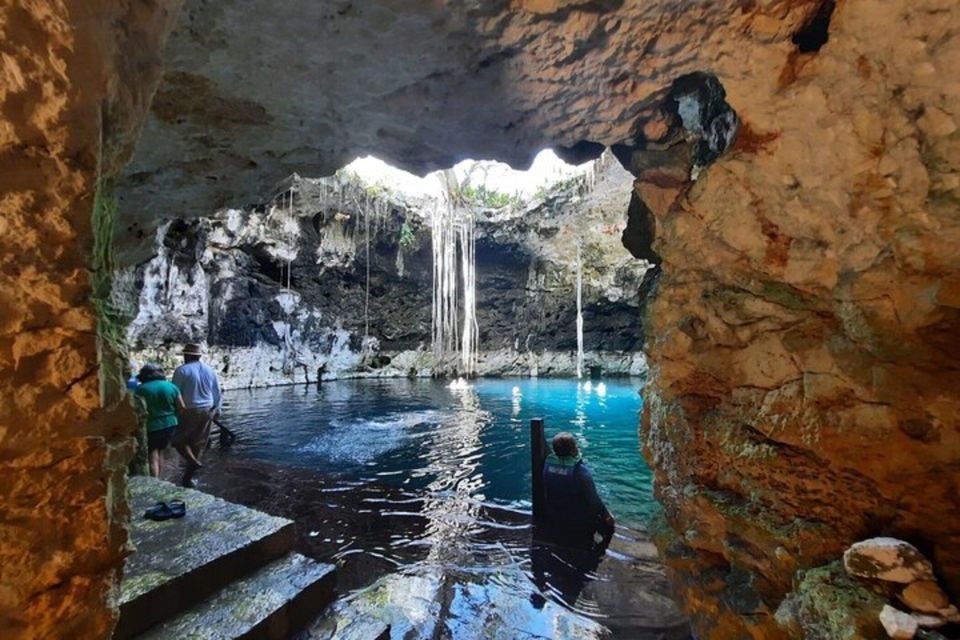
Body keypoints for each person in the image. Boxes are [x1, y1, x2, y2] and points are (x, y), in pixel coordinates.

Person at [541, 432, 615, 548]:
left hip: (556, 515)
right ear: (572, 451)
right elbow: (594, 500)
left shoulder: (547, 464)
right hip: (578, 521)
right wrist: (607, 516)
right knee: (608, 524)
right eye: (575, 446)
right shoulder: (580, 472)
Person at [171, 343, 222, 487]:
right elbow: (217, 391)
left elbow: (176, 393)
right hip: (208, 409)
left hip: (189, 410)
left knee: (177, 440)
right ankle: (188, 478)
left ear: (186, 356)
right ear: (199, 356)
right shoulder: (210, 370)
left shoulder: (182, 371)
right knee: (198, 443)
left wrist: (175, 412)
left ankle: (193, 462)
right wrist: (217, 410)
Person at [132, 364, 184, 478]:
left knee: (152, 455)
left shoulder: (140, 389)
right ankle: (160, 478)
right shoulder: (171, 386)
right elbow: (182, 407)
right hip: (171, 424)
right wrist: (172, 416)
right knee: (160, 451)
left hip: (152, 426)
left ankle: (154, 481)